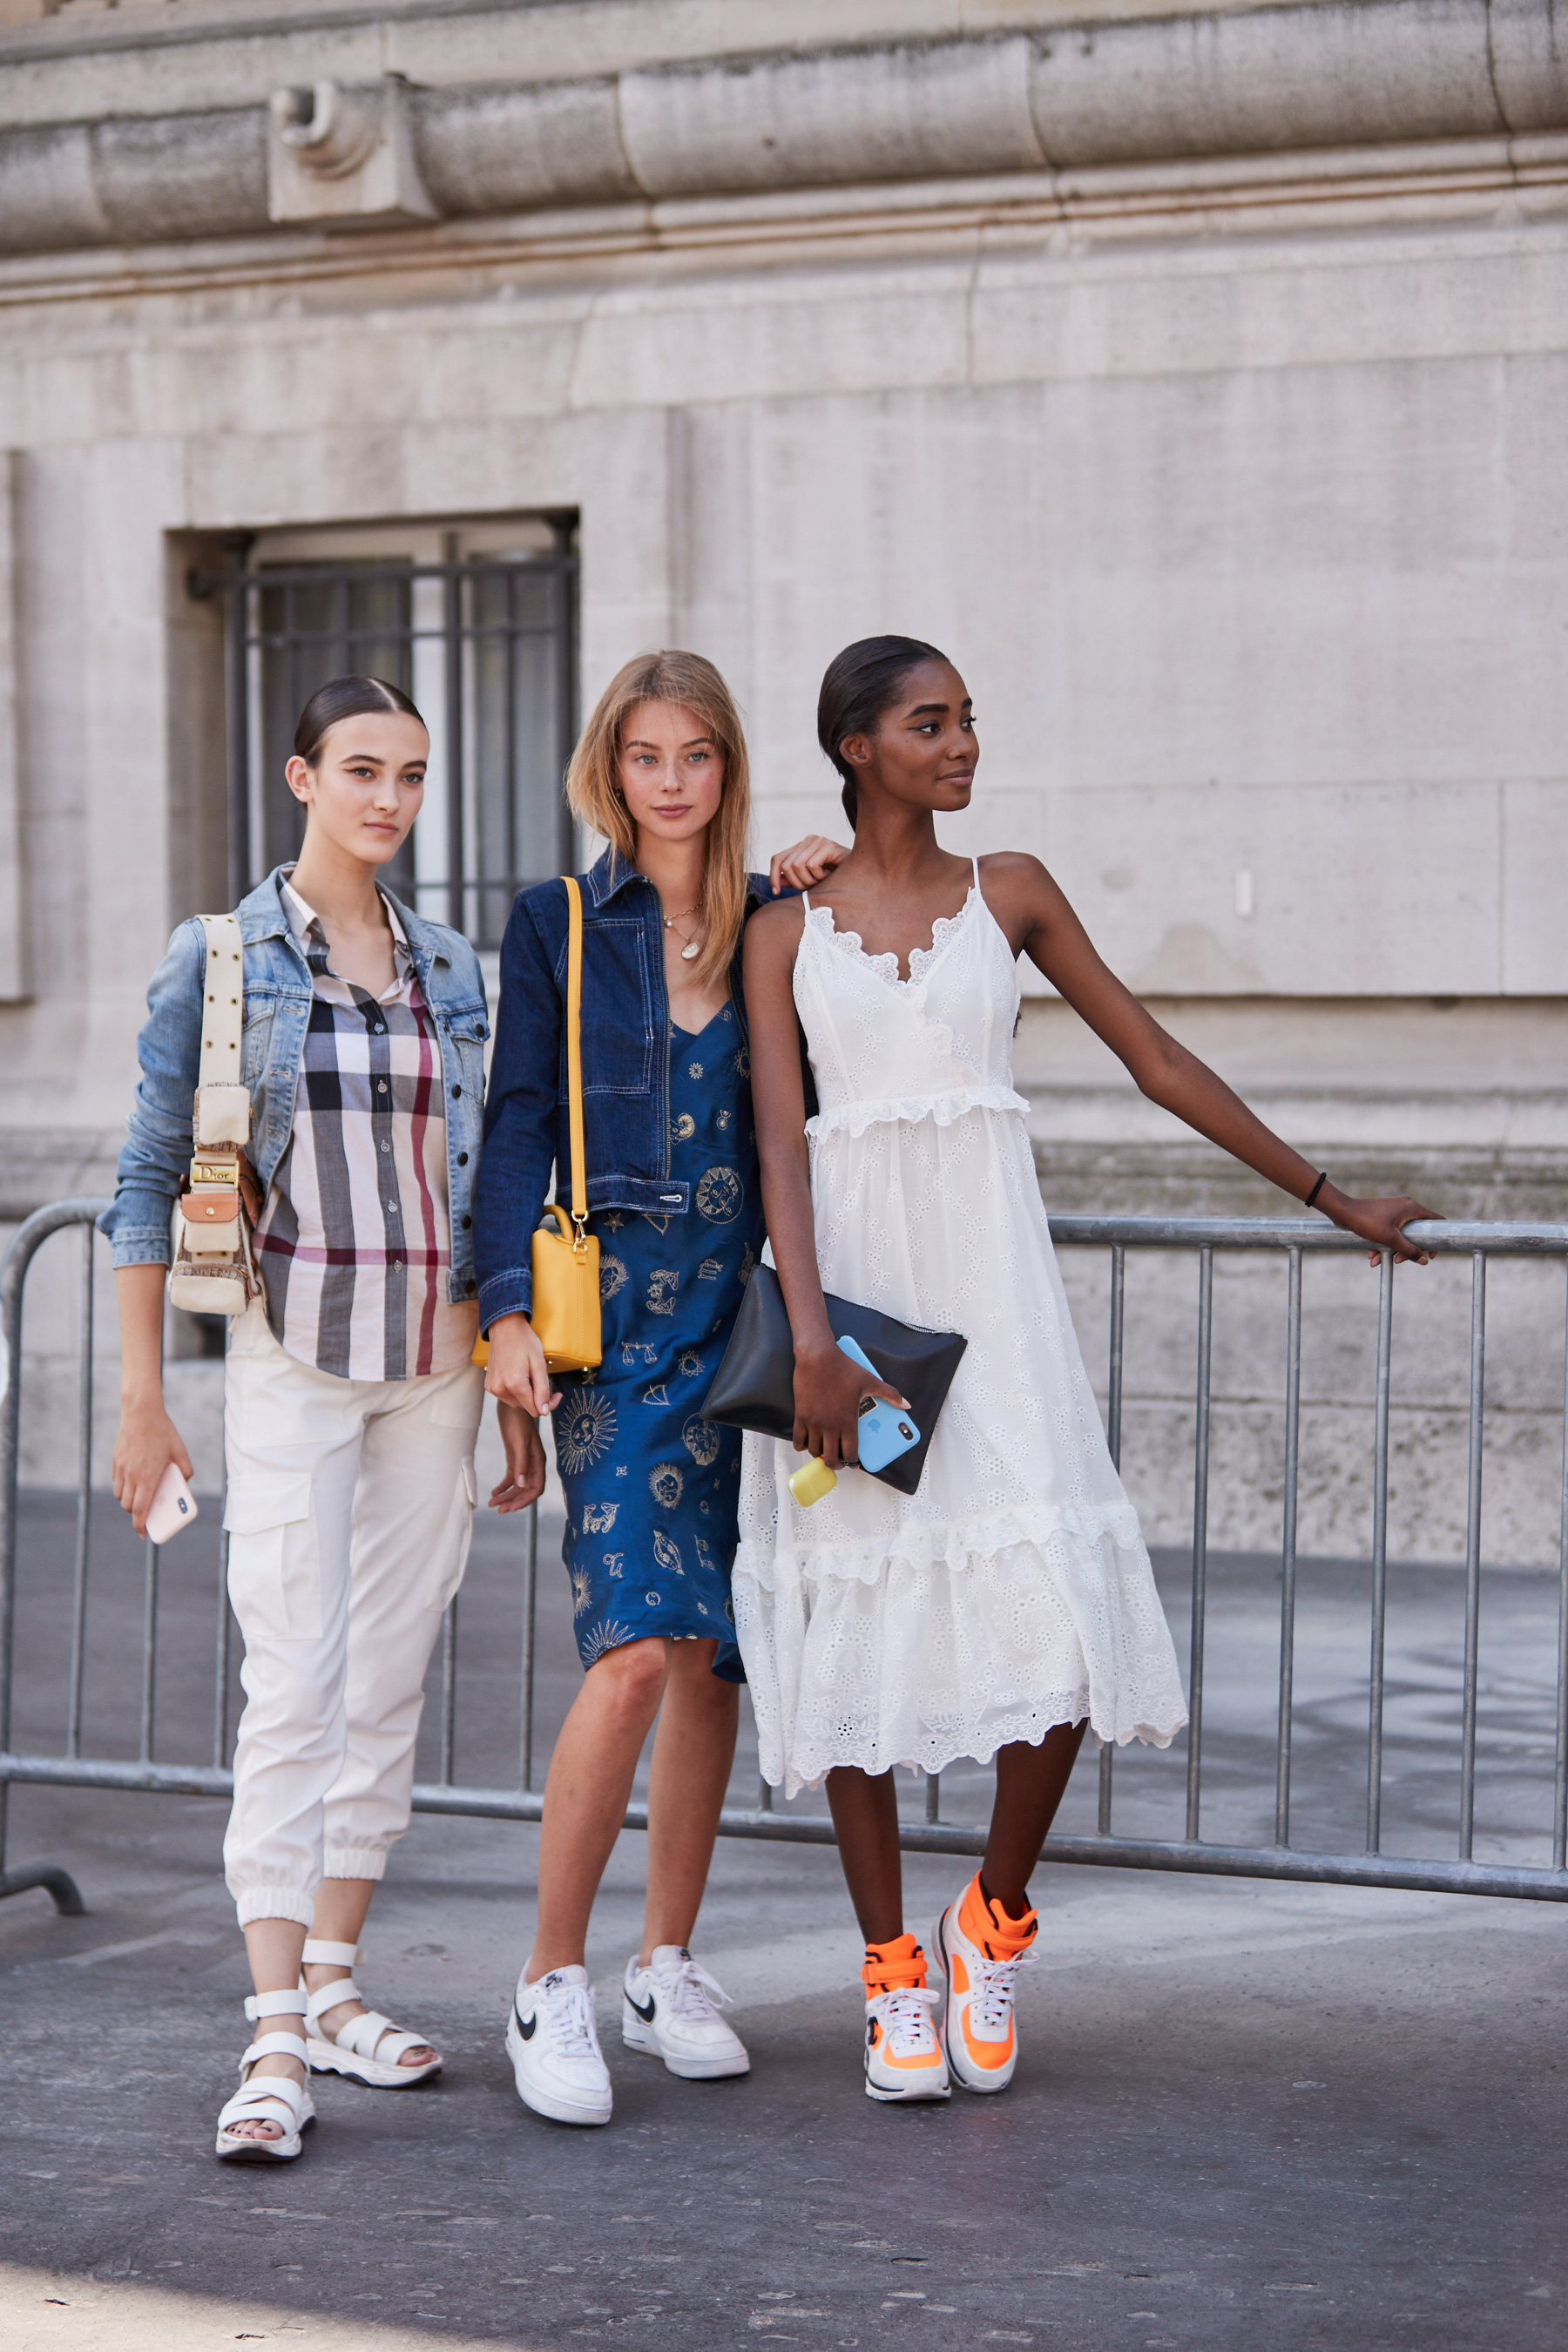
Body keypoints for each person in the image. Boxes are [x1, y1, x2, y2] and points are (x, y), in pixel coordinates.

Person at [736, 634, 1438, 2105]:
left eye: (969, 722)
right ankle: (889, 1975)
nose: (964, 744)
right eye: (932, 724)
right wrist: (808, 1339)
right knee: (855, 1614)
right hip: (853, 1315)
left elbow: (1159, 1062)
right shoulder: (785, 929)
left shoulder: (1014, 890)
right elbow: (779, 1149)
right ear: (859, 746)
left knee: (1056, 1608)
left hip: (999, 1311)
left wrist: (1333, 1200)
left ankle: (990, 1920)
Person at [105, 675, 547, 2163]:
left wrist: (503, 1345)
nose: (391, 800)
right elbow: (148, 1173)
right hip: (292, 1357)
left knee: (391, 1679)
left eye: (413, 775)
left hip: (431, 1367)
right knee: (292, 1676)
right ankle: (273, 2030)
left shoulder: (451, 968)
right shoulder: (224, 959)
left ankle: (340, 1981)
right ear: (301, 776)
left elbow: (483, 1175)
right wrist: (141, 1394)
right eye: (362, 770)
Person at [476, 649, 847, 2127]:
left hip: (743, 1323)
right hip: (614, 1332)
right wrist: (502, 1309)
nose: (673, 780)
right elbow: (517, 1123)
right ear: (608, 770)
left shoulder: (776, 922)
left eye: (698, 754)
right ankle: (547, 1978)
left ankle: (663, 1964)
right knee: (632, 1645)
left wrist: (827, 878)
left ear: (727, 767)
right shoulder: (561, 922)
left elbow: (813, 1121)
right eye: (646, 756)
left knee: (710, 1655)